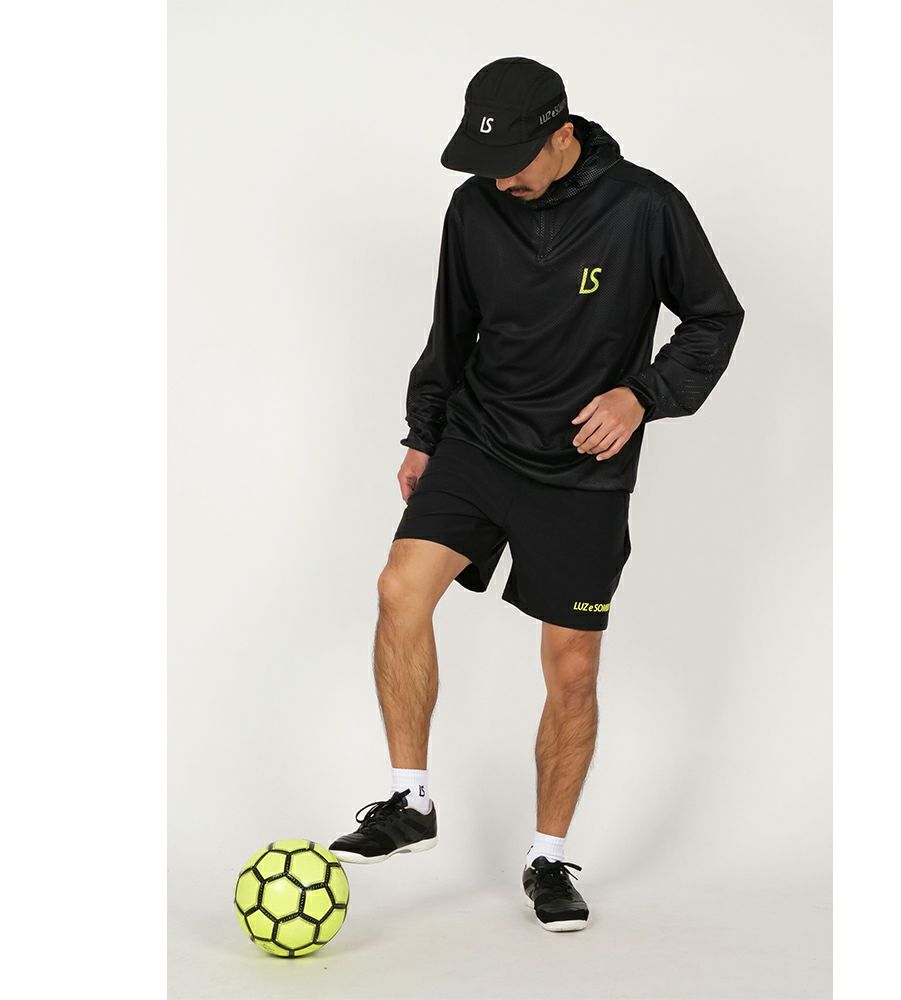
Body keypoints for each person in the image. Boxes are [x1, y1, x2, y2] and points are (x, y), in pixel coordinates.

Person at [330, 56, 745, 932]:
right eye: (485, 163)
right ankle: (410, 802)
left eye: (513, 161)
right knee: (399, 589)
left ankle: (547, 857)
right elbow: (451, 328)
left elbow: (715, 316)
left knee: (572, 667)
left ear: (562, 136)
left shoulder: (645, 206)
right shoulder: (474, 206)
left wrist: (643, 396)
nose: (499, 180)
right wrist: (424, 432)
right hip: (478, 441)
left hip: (582, 470)